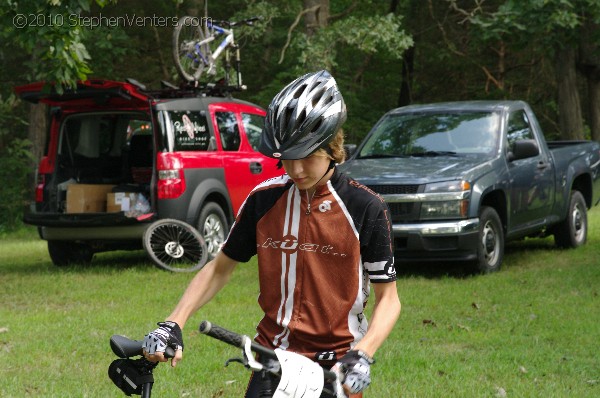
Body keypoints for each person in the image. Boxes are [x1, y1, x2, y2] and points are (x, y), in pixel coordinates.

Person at [142, 70, 401, 397]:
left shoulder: (366, 207)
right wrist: (173, 322)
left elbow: (389, 299)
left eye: (306, 156)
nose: (295, 170)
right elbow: (219, 268)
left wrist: (364, 353)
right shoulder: (264, 199)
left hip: (336, 367)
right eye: (286, 158)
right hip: (271, 361)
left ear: (332, 146)